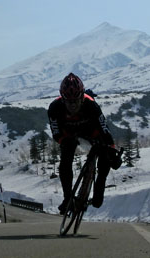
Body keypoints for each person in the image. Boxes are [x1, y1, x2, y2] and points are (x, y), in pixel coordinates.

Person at [48, 72, 120, 214]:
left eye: (76, 101)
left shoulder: (91, 106)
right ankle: (68, 198)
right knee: (66, 158)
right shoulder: (54, 108)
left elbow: (105, 130)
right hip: (69, 134)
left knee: (105, 153)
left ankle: (99, 186)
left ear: (82, 97)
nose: (73, 105)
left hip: (92, 131)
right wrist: (64, 140)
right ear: (63, 99)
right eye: (69, 101)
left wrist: (112, 150)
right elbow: (56, 133)